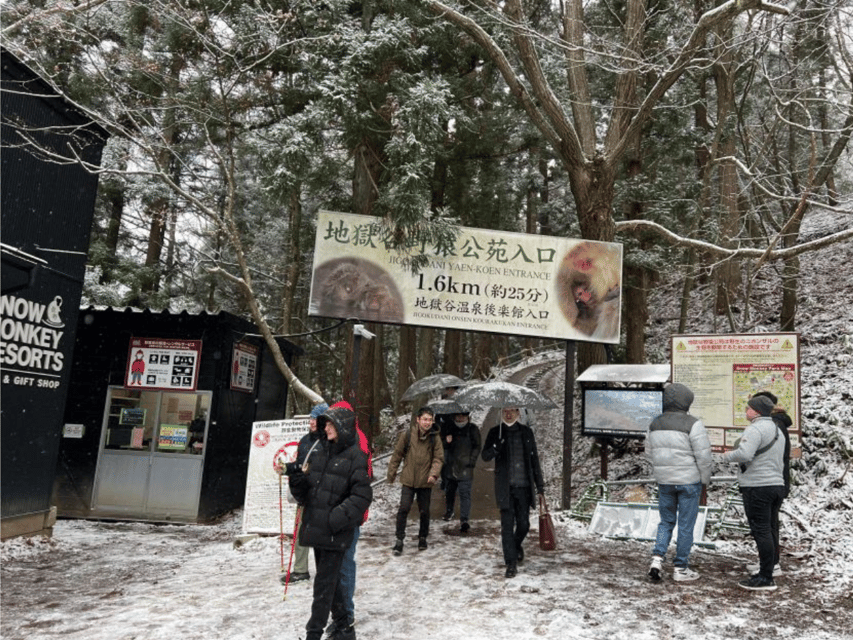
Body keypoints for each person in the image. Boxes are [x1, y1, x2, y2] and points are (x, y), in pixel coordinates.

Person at [285, 403, 372, 640]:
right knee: (330, 584)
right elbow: (307, 494)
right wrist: (296, 480)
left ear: (343, 426)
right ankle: (345, 628)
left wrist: (335, 519)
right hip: (318, 529)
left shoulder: (356, 456)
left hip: (335, 532)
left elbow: (362, 495)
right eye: (326, 423)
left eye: (331, 423)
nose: (326, 427)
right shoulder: (320, 452)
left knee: (323, 586)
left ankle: (313, 633)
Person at [644, 383, 712, 582]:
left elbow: (649, 454)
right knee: (685, 526)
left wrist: (664, 469)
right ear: (686, 401)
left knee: (665, 522)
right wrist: (704, 479)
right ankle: (680, 567)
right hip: (689, 482)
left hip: (665, 482)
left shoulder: (654, 423)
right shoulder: (693, 423)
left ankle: (657, 559)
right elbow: (704, 457)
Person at [721, 394, 786, 591]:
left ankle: (765, 578)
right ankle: (771, 567)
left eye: (748, 408)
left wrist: (725, 456)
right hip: (776, 485)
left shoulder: (755, 428)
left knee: (761, 530)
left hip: (758, 486)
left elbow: (744, 454)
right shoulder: (777, 429)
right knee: (770, 528)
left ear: (756, 411)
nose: (746, 411)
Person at [325, 401, 373, 639]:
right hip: (331, 516)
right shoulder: (333, 442)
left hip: (348, 517)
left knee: (344, 566)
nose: (326, 426)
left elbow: (362, 486)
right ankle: (339, 616)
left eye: (330, 421)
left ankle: (346, 616)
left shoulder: (358, 442)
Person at [481, 406, 544, 578]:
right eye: (505, 411)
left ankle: (515, 546)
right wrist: (496, 447)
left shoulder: (526, 432)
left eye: (512, 410)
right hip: (505, 488)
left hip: (523, 487)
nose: (508, 414)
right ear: (502, 413)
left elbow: (534, 459)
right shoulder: (495, 432)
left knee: (524, 524)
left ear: (518, 413)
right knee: (507, 526)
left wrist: (540, 486)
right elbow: (485, 456)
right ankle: (510, 563)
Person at [745, 390, 792, 577]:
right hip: (777, 479)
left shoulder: (773, 425)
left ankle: (770, 566)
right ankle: (770, 563)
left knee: (766, 526)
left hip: (767, 481)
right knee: (770, 524)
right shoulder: (778, 423)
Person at [387, 407, 443, 555]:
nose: (427, 422)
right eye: (425, 419)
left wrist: (434, 474)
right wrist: (391, 474)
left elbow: (438, 458)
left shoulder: (434, 437)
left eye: (430, 420)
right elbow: (397, 455)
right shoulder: (407, 435)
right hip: (408, 479)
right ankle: (399, 540)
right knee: (404, 508)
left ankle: (423, 537)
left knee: (424, 511)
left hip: (425, 481)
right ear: (418, 420)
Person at [286, 402, 329, 584]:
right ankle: (300, 570)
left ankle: (325, 572)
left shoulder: (329, 441)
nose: (311, 422)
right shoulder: (304, 440)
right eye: (310, 418)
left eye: (315, 418)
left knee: (321, 534)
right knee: (300, 532)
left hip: (321, 496)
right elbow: (300, 464)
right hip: (304, 494)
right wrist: (287, 469)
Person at [439, 411, 481, 533]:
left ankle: (464, 519)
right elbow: (440, 446)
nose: (461, 418)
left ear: (468, 416)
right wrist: (446, 441)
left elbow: (477, 446)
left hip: (466, 467)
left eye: (463, 416)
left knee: (464, 493)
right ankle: (449, 511)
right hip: (451, 465)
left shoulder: (472, 429)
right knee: (450, 491)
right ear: (454, 416)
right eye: (458, 416)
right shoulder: (449, 428)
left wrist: (471, 460)